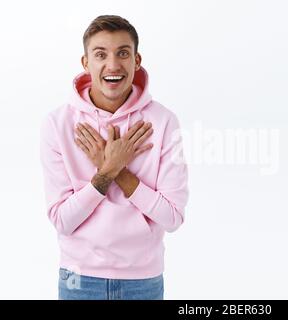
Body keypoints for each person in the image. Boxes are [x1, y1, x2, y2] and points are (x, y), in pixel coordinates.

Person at [39, 15, 189, 300]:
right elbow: (62, 220)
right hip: (78, 279)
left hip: (143, 280)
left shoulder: (163, 121)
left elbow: (172, 218)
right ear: (86, 63)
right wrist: (108, 171)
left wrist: (116, 169)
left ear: (136, 60)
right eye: (100, 54)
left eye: (123, 53)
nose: (113, 65)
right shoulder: (57, 124)